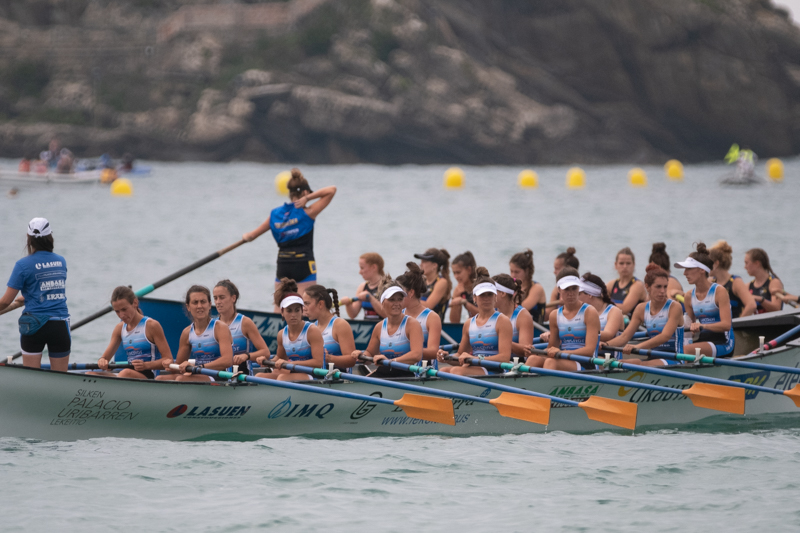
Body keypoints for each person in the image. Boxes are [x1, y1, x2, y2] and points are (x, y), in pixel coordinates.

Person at [242, 168, 337, 310]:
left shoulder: (275, 214)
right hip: (303, 264)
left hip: (283, 265)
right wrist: (308, 199)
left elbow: (251, 236)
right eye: (308, 194)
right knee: (305, 308)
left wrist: (245, 236)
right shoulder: (308, 212)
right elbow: (332, 190)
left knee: (279, 308)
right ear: (305, 192)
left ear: (290, 193)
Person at [0, 218, 71, 371]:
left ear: (29, 238)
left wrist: (29, 297)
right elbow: (50, 288)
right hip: (59, 325)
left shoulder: (22, 265)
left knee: (32, 378)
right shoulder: (61, 261)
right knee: (60, 379)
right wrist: (29, 296)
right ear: (50, 236)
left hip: (34, 326)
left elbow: (5, 301)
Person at [437, 267, 512, 376]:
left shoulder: (502, 321)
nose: (486, 298)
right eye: (482, 295)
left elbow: (504, 358)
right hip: (475, 367)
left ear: (495, 297)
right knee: (442, 371)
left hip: (495, 370)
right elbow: (460, 355)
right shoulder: (469, 324)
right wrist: (446, 357)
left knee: (456, 371)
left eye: (490, 294)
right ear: (474, 298)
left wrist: (476, 358)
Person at [605, 264, 684, 366]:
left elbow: (665, 336)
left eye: (665, 287)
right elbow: (624, 337)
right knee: (620, 363)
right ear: (647, 287)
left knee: (637, 364)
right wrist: (605, 344)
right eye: (658, 287)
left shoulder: (674, 307)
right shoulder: (641, 309)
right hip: (653, 357)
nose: (663, 291)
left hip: (675, 358)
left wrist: (638, 346)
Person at [90, 286, 173, 379]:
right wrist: (102, 361)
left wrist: (146, 365)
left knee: (125, 373)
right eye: (117, 311)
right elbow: (105, 358)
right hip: (128, 374)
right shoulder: (119, 328)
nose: (121, 315)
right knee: (91, 374)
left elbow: (168, 359)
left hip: (149, 375)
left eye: (124, 309)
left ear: (135, 303)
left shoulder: (151, 325)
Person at [156, 286, 234, 381]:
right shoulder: (187, 332)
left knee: (180, 379)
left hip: (220, 377)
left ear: (209, 305)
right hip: (199, 373)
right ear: (188, 307)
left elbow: (227, 361)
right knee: (160, 378)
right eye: (195, 302)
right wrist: (170, 365)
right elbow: (179, 368)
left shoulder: (220, 328)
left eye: (203, 302)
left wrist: (198, 367)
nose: (199, 306)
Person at [255, 278, 324, 381]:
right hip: (293, 373)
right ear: (282, 312)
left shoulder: (312, 331)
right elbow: (279, 358)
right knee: (259, 376)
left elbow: (318, 363)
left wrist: (291, 363)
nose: (293, 315)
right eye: (289, 310)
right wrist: (266, 361)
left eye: (297, 310)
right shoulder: (281, 334)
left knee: (282, 378)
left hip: (313, 375)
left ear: (302, 311)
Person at [531, 268, 600, 372]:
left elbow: (589, 350)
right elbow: (552, 347)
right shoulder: (555, 315)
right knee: (533, 359)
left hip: (586, 363)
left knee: (551, 362)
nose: (571, 293)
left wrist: (562, 353)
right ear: (559, 290)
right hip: (563, 358)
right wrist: (533, 351)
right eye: (566, 289)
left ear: (579, 288)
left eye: (574, 288)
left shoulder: (589, 312)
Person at [676, 244, 735, 357]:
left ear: (702, 270)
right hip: (704, 340)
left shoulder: (719, 292)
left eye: (689, 269)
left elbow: (726, 325)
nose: (684, 273)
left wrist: (702, 326)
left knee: (685, 351)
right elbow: (690, 332)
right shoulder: (689, 296)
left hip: (723, 343)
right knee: (673, 349)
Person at [358, 278, 424, 378]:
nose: (397, 303)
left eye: (400, 299)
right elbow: (370, 353)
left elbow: (416, 355)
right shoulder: (379, 327)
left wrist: (390, 361)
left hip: (406, 376)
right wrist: (361, 356)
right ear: (382, 302)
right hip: (383, 372)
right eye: (392, 300)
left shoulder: (412, 324)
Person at [212, 280, 270, 375]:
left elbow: (265, 352)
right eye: (215, 298)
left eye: (222, 297)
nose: (218, 302)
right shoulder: (213, 325)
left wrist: (246, 356)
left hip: (243, 377)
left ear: (233, 298)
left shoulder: (245, 322)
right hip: (219, 377)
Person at [303, 284, 358, 371]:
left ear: (320, 304)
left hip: (337, 375)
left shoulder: (340, 325)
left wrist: (328, 358)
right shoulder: (312, 327)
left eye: (307, 304)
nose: (303, 308)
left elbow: (351, 360)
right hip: (318, 374)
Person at [397, 262, 443, 365]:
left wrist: (404, 350)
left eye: (400, 292)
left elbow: (433, 352)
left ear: (411, 293)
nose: (396, 297)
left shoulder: (432, 318)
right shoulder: (398, 315)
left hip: (423, 369)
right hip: (400, 365)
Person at [709, 241, 756, 318]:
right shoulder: (710, 282)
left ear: (716, 264)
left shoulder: (735, 282)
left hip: (734, 324)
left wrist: (737, 323)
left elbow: (751, 305)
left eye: (707, 263)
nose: (705, 266)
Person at [492, 273, 534, 359]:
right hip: (493, 360)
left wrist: (502, 342)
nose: (488, 296)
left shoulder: (523, 316)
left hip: (515, 363)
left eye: (491, 292)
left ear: (502, 293)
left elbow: (525, 350)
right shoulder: (491, 312)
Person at [340, 252, 386, 321]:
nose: (360, 272)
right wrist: (348, 304)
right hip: (367, 326)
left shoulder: (387, 286)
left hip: (384, 325)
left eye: (362, 268)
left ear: (374, 267)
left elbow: (387, 314)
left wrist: (371, 298)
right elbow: (353, 315)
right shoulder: (362, 287)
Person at [579, 272, 623, 342]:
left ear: (590, 294)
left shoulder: (614, 311)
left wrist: (578, 332)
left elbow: (608, 335)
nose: (576, 297)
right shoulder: (582, 311)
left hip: (608, 348)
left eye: (579, 294)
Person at [509, 249, 547, 326]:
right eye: (511, 271)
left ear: (527, 271)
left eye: (516, 272)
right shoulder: (512, 287)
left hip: (536, 329)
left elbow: (520, 309)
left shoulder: (537, 288)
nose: (513, 275)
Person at [607, 247, 647, 317]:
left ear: (633, 265)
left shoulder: (637, 285)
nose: (625, 266)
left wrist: (604, 305)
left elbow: (624, 309)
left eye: (628, 263)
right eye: (621, 263)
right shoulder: (611, 284)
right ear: (616, 265)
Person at [413, 248, 451, 320]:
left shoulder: (442, 282)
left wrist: (407, 300)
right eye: (421, 261)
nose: (421, 264)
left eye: (424, 261)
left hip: (434, 324)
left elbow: (428, 305)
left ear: (434, 265)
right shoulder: (421, 281)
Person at [745, 248, 784, 314]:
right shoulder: (748, 286)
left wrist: (760, 300)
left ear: (757, 263)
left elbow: (777, 308)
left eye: (746, 263)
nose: (745, 267)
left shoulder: (774, 283)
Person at [547, 247, 579, 312]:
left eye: (557, 268)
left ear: (567, 269)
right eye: (566, 289)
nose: (554, 272)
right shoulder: (557, 289)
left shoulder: (583, 291)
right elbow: (548, 313)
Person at [449, 251, 478, 323]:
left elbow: (485, 315)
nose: (456, 276)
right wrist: (455, 297)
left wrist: (465, 303)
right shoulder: (459, 289)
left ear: (469, 270)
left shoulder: (480, 286)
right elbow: (454, 322)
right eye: (454, 273)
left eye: (458, 272)